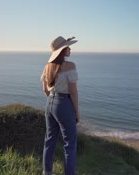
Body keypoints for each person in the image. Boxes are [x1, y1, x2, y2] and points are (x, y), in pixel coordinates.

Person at [41, 36, 80, 175]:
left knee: (49, 140)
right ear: (63, 50)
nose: (70, 48)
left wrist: (53, 100)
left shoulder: (47, 66)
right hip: (64, 104)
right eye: (68, 46)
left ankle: (47, 172)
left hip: (50, 104)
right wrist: (76, 113)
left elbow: (45, 90)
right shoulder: (70, 66)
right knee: (69, 144)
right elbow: (74, 93)